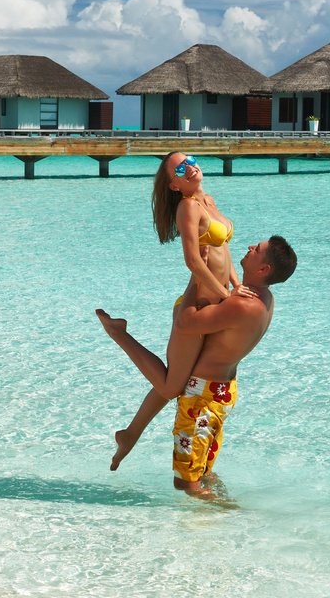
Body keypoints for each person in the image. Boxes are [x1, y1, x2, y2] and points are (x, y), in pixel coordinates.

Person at [97, 237, 297, 499]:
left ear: (264, 269)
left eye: (257, 250)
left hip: (201, 398)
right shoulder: (264, 298)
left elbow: (185, 323)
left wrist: (195, 278)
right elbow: (225, 253)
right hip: (219, 392)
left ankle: (232, 516)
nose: (250, 247)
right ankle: (227, 511)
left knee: (188, 485)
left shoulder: (242, 305)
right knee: (202, 473)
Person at [100, 151, 253, 471]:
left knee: (176, 379)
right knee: (172, 386)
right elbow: (193, 261)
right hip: (197, 309)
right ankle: (118, 333)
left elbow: (224, 250)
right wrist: (226, 294)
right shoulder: (188, 207)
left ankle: (129, 434)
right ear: (174, 186)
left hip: (215, 305)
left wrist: (236, 288)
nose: (191, 167)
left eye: (191, 160)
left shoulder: (208, 200)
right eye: (181, 168)